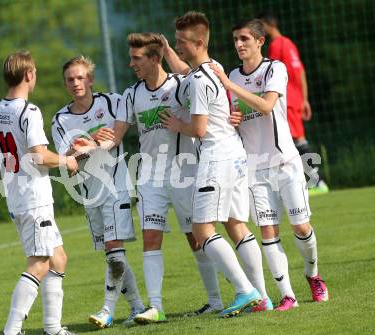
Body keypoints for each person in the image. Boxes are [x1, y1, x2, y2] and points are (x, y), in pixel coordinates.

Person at [100, 31, 225, 323]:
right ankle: (154, 307)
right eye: (131, 58)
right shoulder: (132, 94)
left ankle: (217, 300)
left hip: (185, 173)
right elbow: (116, 136)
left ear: (155, 58)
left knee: (197, 238)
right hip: (150, 177)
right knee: (151, 237)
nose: (132, 64)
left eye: (137, 58)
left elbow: (208, 107)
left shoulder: (181, 85)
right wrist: (88, 147)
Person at [209, 18, 329, 311]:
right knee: (268, 231)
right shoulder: (234, 76)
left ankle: (313, 275)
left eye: (245, 39)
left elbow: (265, 106)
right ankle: (287, 295)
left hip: (285, 161)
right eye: (236, 39)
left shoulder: (274, 68)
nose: (239, 44)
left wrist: (227, 85)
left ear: (259, 42)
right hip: (254, 167)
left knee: (301, 226)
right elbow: (238, 116)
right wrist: (233, 120)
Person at [161, 17, 272, 312]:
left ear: (198, 43)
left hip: (216, 157)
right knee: (236, 224)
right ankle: (262, 297)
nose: (178, 46)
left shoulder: (199, 80)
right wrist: (167, 50)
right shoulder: (214, 68)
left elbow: (198, 129)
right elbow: (185, 71)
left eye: (181, 42)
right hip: (234, 154)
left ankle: (245, 291)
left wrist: (176, 124)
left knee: (201, 230)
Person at [0, 50, 78, 335]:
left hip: (17, 197)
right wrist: (67, 160)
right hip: (34, 199)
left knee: (58, 258)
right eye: (34, 71)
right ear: (29, 75)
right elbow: (39, 156)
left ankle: (52, 328)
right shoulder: (29, 111)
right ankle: (11, 330)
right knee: (39, 264)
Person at [51, 55, 145, 328]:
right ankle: (138, 306)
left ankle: (107, 310)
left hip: (116, 188)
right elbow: (67, 162)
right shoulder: (61, 119)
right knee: (113, 255)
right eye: (70, 79)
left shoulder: (111, 102)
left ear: (90, 79)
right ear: (65, 84)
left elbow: (117, 136)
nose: (76, 83)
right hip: (89, 193)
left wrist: (83, 144)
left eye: (81, 78)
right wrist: (90, 141)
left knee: (115, 253)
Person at [257, 11, 329, 195]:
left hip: (285, 100)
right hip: (295, 99)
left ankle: (316, 182)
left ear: (268, 25)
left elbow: (270, 73)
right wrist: (304, 99)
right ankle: (309, 182)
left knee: (292, 141)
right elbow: (301, 72)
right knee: (294, 140)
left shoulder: (276, 45)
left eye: (261, 26)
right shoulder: (289, 43)